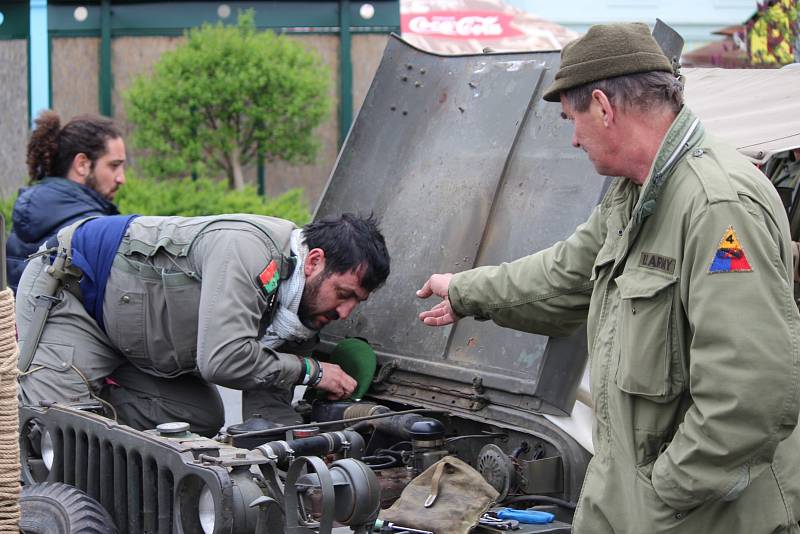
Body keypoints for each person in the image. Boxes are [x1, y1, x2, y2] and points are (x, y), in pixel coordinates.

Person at [417, 23, 800, 534]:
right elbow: (563, 274)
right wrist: (464, 291)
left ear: (603, 105)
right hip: (625, 495)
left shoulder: (716, 205)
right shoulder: (634, 194)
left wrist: (664, 495)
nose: (573, 138)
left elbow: (750, 393)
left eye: (571, 119)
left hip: (701, 516)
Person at [17, 212, 390, 437]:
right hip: (77, 294)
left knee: (198, 416)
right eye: (344, 293)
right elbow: (223, 360)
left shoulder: (300, 309)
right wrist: (311, 370)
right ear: (314, 262)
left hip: (137, 337)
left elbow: (267, 398)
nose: (344, 312)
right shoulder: (249, 252)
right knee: (50, 431)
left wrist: (301, 458)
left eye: (356, 302)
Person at [6, 110, 126, 293]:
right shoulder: (90, 229)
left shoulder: (29, 213)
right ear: (82, 164)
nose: (121, 178)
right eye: (114, 165)